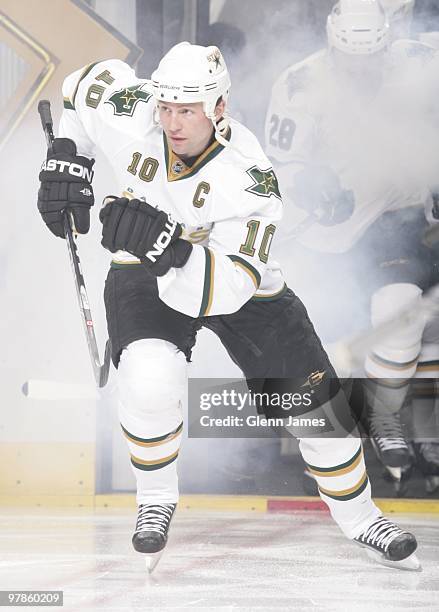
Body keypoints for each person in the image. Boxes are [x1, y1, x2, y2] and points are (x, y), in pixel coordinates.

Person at [37, 41, 419, 571]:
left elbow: (229, 288)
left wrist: (170, 248)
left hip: (234, 278)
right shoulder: (130, 108)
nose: (171, 121)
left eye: (187, 110)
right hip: (144, 268)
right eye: (166, 107)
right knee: (148, 379)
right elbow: (80, 86)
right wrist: (68, 157)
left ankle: (361, 518)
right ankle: (154, 501)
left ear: (219, 107)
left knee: (319, 413)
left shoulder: (252, 178)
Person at [265, 0, 439, 494]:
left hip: (399, 215)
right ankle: (332, 446)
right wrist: (308, 183)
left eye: (373, 56)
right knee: (325, 350)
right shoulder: (299, 85)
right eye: (352, 59)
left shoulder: (423, 62)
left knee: (402, 311)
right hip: (327, 232)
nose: (363, 68)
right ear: (330, 44)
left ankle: (386, 415)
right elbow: (277, 164)